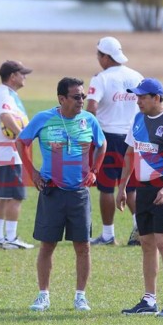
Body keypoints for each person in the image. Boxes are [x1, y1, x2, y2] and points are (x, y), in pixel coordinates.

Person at [17, 77, 107, 312]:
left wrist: (95, 171)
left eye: (83, 96)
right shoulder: (43, 119)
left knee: (83, 246)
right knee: (47, 245)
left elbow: (102, 144)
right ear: (61, 98)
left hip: (79, 193)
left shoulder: (89, 120)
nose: (81, 101)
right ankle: (43, 295)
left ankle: (80, 296)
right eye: (77, 97)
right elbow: (21, 141)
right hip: (52, 191)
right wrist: (33, 173)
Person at [116, 78, 163, 318]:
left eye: (142, 97)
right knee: (146, 243)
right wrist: (123, 187)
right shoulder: (138, 119)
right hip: (143, 188)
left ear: (157, 97)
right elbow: (129, 153)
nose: (138, 101)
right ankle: (149, 300)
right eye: (137, 97)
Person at [86, 36, 144, 246]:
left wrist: (88, 134)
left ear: (105, 56)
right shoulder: (136, 76)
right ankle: (141, 228)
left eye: (98, 55)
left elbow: (91, 107)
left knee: (106, 187)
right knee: (131, 187)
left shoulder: (101, 78)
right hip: (133, 138)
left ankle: (108, 235)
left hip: (108, 137)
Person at [0, 60, 35, 250]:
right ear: (13, 76)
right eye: (22, 73)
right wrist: (22, 136)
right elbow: (6, 117)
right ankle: (11, 238)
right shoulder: (5, 95)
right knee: (16, 196)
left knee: (2, 196)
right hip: (8, 153)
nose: (25, 77)